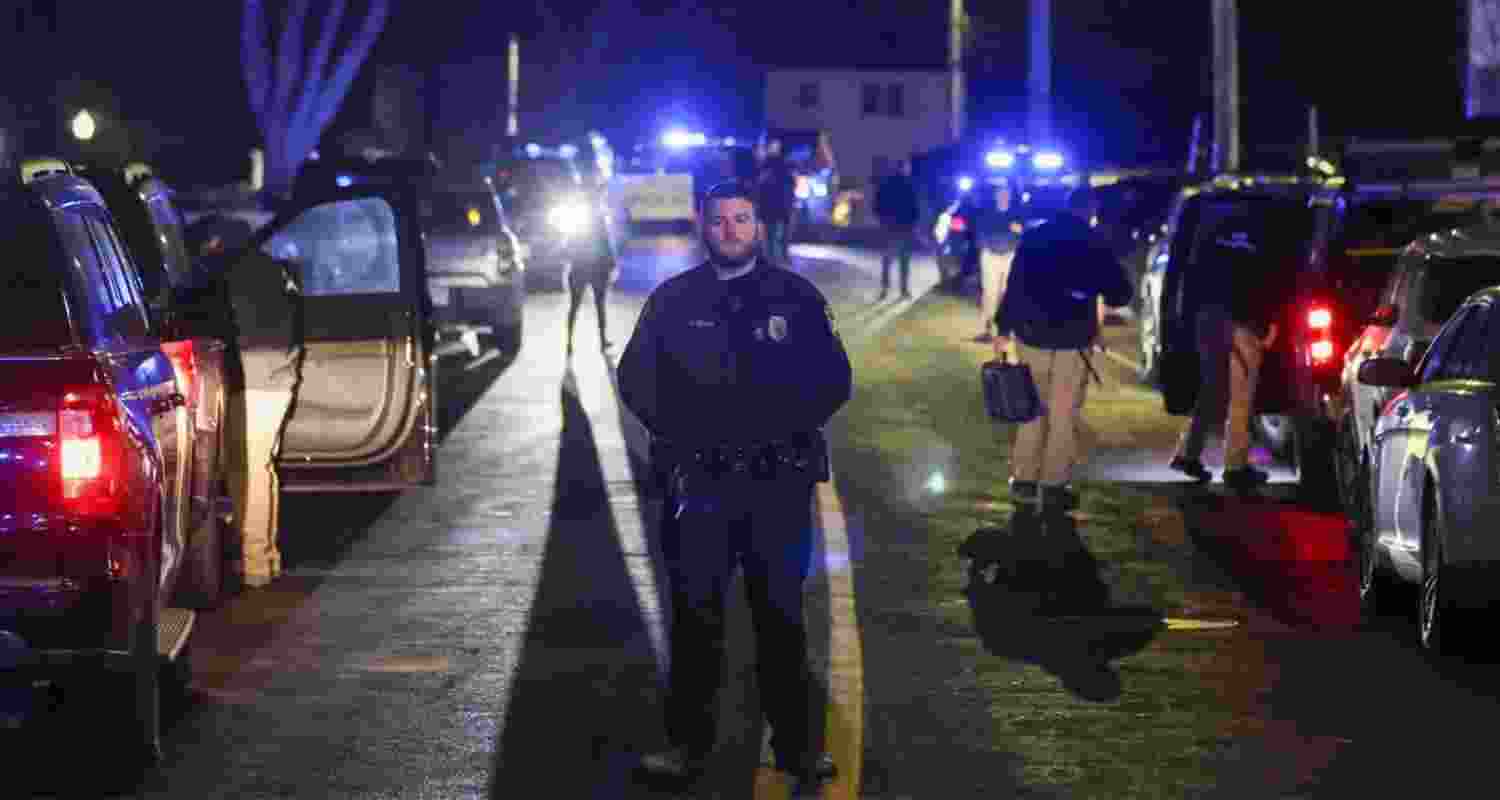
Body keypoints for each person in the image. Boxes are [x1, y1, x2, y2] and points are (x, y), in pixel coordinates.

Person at [620, 181, 852, 787]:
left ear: (759, 226)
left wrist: (780, 426)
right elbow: (636, 379)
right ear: (704, 225)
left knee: (782, 623)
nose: (730, 230)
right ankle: (687, 748)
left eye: (741, 219)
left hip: (777, 487)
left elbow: (834, 379)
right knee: (696, 622)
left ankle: (798, 748)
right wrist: (683, 433)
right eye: (720, 220)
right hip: (700, 486)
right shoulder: (673, 301)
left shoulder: (795, 298)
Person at [993, 185, 1132, 512]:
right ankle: (1054, 486)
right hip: (1073, 340)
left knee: (1031, 409)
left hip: (1032, 335)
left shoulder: (1034, 236)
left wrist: (1003, 327)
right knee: (1063, 414)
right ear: (1090, 210)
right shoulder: (1093, 241)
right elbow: (1120, 293)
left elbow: (1014, 286)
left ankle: (1024, 481)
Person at [1168, 215, 1280, 489]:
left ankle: (1187, 454)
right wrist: (1268, 323)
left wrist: (1187, 322)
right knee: (1241, 395)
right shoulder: (1261, 229)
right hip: (1242, 322)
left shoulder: (1209, 227)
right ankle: (1236, 466)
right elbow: (1267, 280)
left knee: (1212, 390)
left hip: (1208, 318)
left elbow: (1190, 277)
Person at [221, 244, 304, 587]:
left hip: (253, 381)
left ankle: (253, 561)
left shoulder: (229, 274)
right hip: (276, 379)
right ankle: (265, 557)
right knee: (260, 468)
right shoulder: (273, 271)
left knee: (248, 470)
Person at [564, 195, 620, 355]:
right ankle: (602, 342)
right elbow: (606, 244)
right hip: (597, 269)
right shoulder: (599, 220)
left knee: (574, 306)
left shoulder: (579, 219)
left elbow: (568, 246)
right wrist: (612, 264)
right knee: (599, 306)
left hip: (579, 268)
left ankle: (569, 342)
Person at [874, 158, 920, 299]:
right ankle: (903, 290)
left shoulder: (887, 183)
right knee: (903, 261)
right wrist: (914, 223)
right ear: (905, 169)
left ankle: (885, 289)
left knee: (888, 260)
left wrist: (882, 220)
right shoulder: (910, 184)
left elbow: (877, 204)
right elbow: (915, 207)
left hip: (891, 227)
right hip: (904, 227)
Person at [756, 138, 796, 264]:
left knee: (776, 234)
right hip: (774, 205)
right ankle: (775, 258)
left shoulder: (775, 166)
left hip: (778, 204)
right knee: (773, 234)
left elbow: (790, 184)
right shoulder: (769, 166)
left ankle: (777, 257)